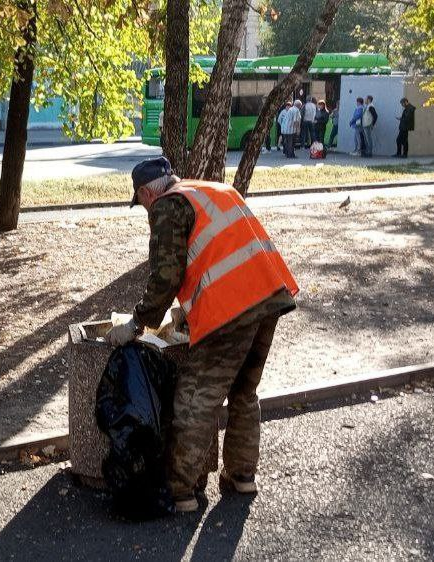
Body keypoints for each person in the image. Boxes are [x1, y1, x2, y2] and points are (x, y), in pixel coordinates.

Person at [105, 157, 298, 513]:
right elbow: (220, 252)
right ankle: (242, 477)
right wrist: (187, 310)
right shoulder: (211, 190)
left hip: (232, 310)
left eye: (141, 202)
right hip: (270, 294)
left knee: (196, 398)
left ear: (147, 192)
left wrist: (137, 323)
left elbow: (165, 276)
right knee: (243, 391)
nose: (145, 209)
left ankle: (180, 492)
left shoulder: (166, 206)